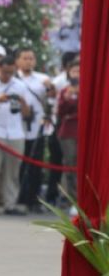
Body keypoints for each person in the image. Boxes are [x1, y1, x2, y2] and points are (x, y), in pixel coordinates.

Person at [0, 50, 41, 214]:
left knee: (12, 172)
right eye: (5, 72)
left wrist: (22, 101)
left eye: (11, 73)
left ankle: (10, 204)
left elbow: (27, 115)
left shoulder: (20, 86)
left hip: (15, 132)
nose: (7, 76)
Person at [13, 47, 53, 212]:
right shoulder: (14, 78)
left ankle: (34, 200)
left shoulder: (42, 79)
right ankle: (18, 197)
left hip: (37, 126)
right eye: (25, 58)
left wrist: (50, 87)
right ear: (17, 61)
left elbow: (52, 98)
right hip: (18, 126)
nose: (28, 61)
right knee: (19, 164)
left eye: (31, 58)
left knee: (37, 165)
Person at [55, 57, 80, 201]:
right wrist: (68, 96)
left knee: (83, 165)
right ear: (69, 73)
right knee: (70, 164)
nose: (77, 74)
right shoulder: (65, 90)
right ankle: (71, 198)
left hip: (85, 131)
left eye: (79, 71)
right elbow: (60, 112)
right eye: (74, 71)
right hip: (68, 131)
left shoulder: (91, 88)